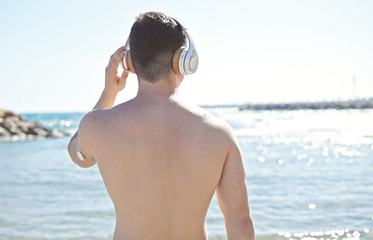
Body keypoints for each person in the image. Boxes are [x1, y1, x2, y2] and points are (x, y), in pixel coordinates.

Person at [68, 11, 255, 240]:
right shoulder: (219, 133)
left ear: (131, 63)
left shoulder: (97, 125)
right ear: (183, 61)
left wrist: (109, 94)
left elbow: (78, 155)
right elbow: (240, 224)